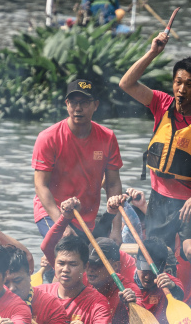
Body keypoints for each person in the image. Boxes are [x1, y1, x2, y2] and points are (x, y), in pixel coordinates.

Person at [120, 36, 191, 324]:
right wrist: (153, 52)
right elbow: (126, 84)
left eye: (189, 84)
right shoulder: (161, 103)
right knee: (150, 259)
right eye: (178, 82)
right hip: (158, 199)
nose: (182, 89)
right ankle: (156, 316)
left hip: (190, 201)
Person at [32, 79, 123, 237]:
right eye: (73, 103)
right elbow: (40, 185)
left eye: (85, 103)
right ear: (67, 104)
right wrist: (62, 225)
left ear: (95, 105)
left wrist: (116, 230)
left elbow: (113, 184)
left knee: (97, 255)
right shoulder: (48, 137)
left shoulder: (108, 137)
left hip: (86, 217)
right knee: (67, 247)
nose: (78, 109)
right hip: (51, 211)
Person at [33, 235, 113, 324]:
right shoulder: (39, 292)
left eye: (73, 264)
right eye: (61, 263)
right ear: (54, 263)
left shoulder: (97, 302)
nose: (65, 270)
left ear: (86, 266)